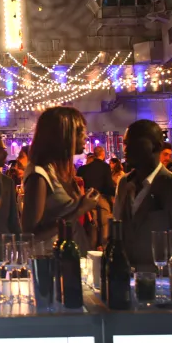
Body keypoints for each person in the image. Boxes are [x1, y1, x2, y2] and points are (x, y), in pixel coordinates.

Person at [114, 119, 172, 270]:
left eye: (134, 143)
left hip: (162, 283)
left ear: (156, 146)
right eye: (126, 143)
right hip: (126, 279)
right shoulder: (124, 184)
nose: (126, 149)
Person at [21, 107, 103, 249]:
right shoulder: (39, 175)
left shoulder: (65, 172)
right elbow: (31, 236)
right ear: (63, 135)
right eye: (80, 131)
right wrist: (80, 210)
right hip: (52, 262)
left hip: (74, 256)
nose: (85, 136)